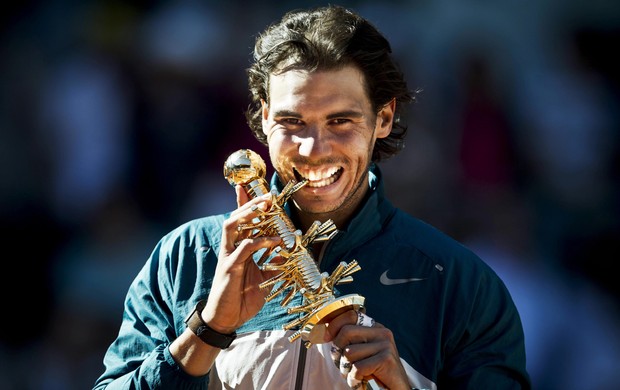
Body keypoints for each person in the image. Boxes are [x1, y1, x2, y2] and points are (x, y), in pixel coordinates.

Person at [93, 5, 531, 389]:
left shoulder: (458, 284)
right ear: (263, 119)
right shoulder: (186, 257)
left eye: (340, 121)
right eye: (292, 121)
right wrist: (208, 331)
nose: (313, 149)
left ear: (383, 118)